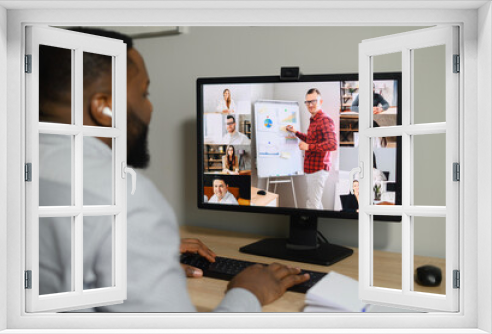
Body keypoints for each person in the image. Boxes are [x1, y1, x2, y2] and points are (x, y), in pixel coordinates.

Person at [38, 28, 309, 312]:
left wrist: (140, 254)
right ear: (104, 107)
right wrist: (248, 292)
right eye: (144, 93)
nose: (150, 107)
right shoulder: (128, 204)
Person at [286, 88, 337, 210]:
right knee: (316, 203)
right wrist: (296, 132)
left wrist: (308, 147)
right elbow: (311, 139)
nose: (310, 105)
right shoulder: (314, 120)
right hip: (312, 169)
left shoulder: (324, 119)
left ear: (320, 101)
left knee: (312, 204)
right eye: (307, 102)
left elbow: (332, 144)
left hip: (318, 169)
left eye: (313, 101)